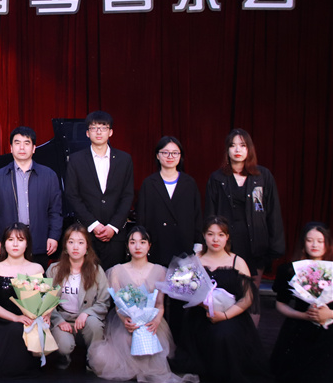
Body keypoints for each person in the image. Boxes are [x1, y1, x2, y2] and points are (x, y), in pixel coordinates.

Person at [87, 227, 198, 383]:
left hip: (151, 322)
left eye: (142, 242)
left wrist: (156, 321)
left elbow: (160, 304)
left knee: (153, 349)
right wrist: (125, 320)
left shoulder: (160, 271)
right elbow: (118, 304)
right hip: (126, 321)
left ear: (149, 246)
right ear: (127, 246)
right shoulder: (117, 271)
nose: (137, 246)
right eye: (133, 242)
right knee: (121, 346)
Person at [172, 216, 270, 383]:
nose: (215, 239)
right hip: (200, 316)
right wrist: (201, 303)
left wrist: (224, 316)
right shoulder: (195, 260)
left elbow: (247, 298)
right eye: (210, 234)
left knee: (224, 334)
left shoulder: (237, 262)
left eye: (221, 235)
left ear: (227, 237)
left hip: (231, 315)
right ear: (204, 236)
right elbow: (183, 289)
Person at [206, 128, 285, 326]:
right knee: (226, 293)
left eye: (242, 145)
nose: (237, 150)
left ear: (249, 149)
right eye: (233, 145)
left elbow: (273, 212)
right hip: (226, 246)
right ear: (227, 150)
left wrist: (276, 246)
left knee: (251, 296)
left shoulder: (262, 176)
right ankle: (227, 335)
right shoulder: (217, 178)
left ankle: (250, 339)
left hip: (255, 245)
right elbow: (210, 214)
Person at [0, 126, 62, 271]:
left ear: (33, 148)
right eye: (17, 143)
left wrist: (54, 236)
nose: (22, 147)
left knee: (36, 283)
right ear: (11, 148)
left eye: (27, 143)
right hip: (9, 243)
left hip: (39, 241)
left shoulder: (49, 175)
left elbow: (55, 211)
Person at [0, 223, 46, 379]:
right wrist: (15, 317)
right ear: (4, 243)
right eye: (10, 239)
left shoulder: (37, 268)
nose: (15, 244)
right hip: (3, 321)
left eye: (20, 240)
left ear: (27, 243)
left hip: (30, 321)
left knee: (20, 330)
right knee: (11, 332)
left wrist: (45, 315)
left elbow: (45, 299)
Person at [65, 111, 134, 271]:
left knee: (114, 279)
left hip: (115, 234)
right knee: (87, 278)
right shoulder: (76, 160)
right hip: (86, 233)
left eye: (103, 128)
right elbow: (72, 195)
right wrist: (93, 225)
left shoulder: (124, 159)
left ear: (110, 132)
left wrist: (113, 226)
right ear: (87, 133)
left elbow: (127, 195)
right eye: (94, 128)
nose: (98, 132)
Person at [270, 221, 333, 382]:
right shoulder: (289, 270)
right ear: (303, 243)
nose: (314, 245)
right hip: (300, 327)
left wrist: (329, 314)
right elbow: (281, 304)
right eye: (309, 240)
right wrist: (304, 316)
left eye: (320, 241)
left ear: (327, 243)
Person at [46, 223, 110, 371]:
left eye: (81, 242)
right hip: (63, 318)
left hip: (86, 319)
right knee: (64, 346)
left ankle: (92, 360)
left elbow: (104, 301)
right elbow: (47, 303)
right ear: (65, 246)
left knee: (94, 324)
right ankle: (64, 358)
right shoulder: (54, 270)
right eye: (71, 242)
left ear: (87, 247)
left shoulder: (96, 270)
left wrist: (87, 313)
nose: (75, 247)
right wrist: (59, 320)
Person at [137, 136, 203, 268]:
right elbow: (141, 218)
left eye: (175, 153)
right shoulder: (149, 183)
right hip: (157, 246)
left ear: (180, 156)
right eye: (165, 152)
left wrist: (198, 243)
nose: (170, 156)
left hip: (183, 246)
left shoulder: (189, 183)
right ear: (157, 155)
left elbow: (197, 216)